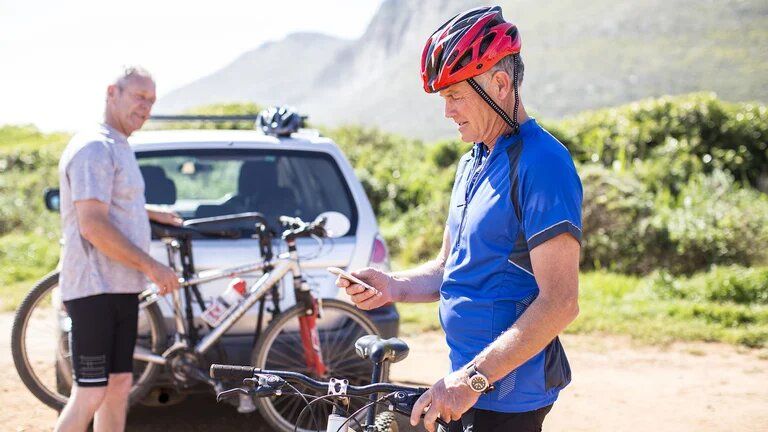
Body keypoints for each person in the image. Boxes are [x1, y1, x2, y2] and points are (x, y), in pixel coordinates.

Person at [337, 6, 582, 432]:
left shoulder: (543, 163)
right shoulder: (473, 161)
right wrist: (391, 285)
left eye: (455, 95)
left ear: (500, 85)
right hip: (466, 385)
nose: (446, 112)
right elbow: (449, 268)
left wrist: (472, 380)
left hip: (508, 399)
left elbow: (560, 302)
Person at [55, 66, 182, 432]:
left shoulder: (118, 144)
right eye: (139, 97)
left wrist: (146, 211)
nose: (146, 107)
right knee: (90, 393)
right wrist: (154, 268)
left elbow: (106, 203)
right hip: (95, 289)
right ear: (113, 92)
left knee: (118, 387)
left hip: (121, 287)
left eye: (152, 101)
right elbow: (92, 223)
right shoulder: (94, 146)